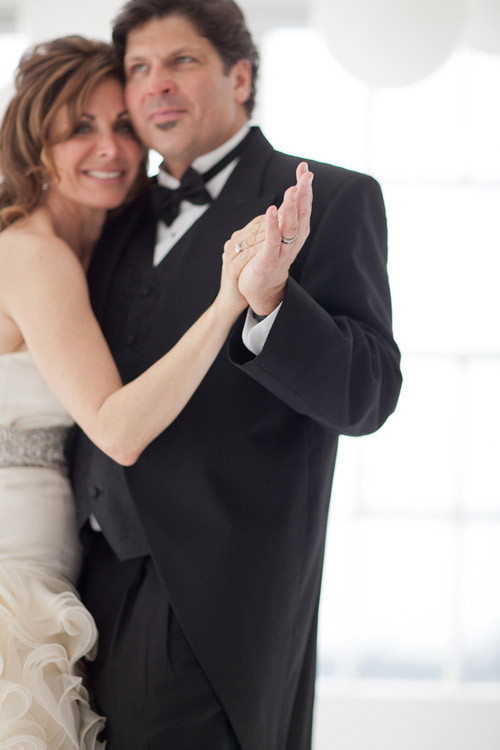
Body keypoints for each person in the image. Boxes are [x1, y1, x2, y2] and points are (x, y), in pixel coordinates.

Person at [69, 1, 402, 749]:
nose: (155, 84)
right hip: (82, 584)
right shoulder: (111, 214)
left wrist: (274, 301)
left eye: (181, 61)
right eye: (138, 69)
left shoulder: (334, 200)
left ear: (241, 76)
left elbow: (369, 395)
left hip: (220, 603)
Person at [0, 34, 311, 749]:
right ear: (34, 141)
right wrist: (229, 303)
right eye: (80, 128)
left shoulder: (100, 248)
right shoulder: (34, 254)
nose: (109, 148)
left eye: (120, 126)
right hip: (15, 576)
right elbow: (117, 429)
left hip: (68, 570)